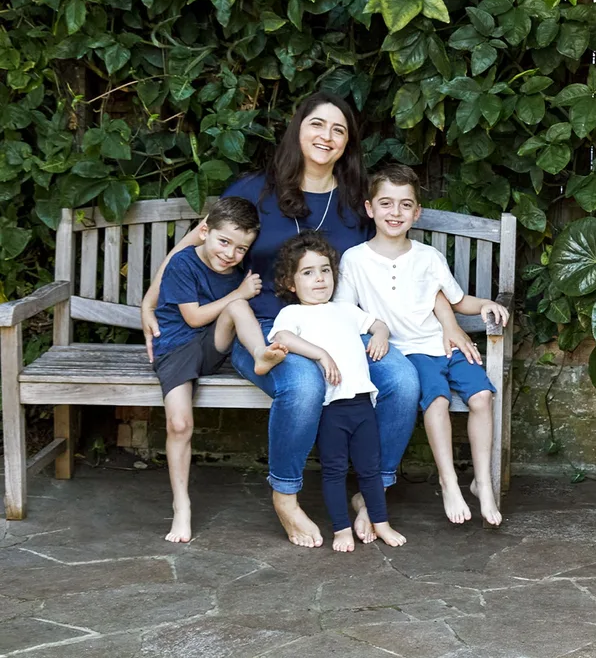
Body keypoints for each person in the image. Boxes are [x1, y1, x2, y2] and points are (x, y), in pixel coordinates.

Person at [142, 92, 431, 549]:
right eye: (318, 125)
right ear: (299, 129)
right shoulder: (254, 190)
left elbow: (393, 260)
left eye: (339, 130)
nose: (327, 137)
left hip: (339, 328)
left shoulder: (357, 201)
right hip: (261, 327)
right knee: (303, 384)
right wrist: (148, 303)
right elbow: (191, 248)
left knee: (401, 379)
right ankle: (286, 496)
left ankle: (372, 491)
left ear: (347, 143)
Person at [336, 164, 509, 527]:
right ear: (370, 208)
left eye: (404, 205)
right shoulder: (355, 260)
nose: (394, 213)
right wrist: (377, 327)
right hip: (408, 353)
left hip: (442, 343)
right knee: (439, 399)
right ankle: (449, 482)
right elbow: (344, 312)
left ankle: (482, 484)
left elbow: (457, 300)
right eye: (386, 203)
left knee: (482, 397)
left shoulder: (428, 257)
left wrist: (486, 305)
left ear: (416, 212)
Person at [152, 196, 287, 544]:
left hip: (211, 346)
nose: (230, 254)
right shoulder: (183, 263)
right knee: (179, 424)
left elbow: (232, 310)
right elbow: (193, 317)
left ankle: (260, 354)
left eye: (241, 249)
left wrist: (241, 295)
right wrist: (239, 292)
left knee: (239, 305)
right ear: (205, 232)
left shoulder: (237, 271)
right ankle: (182, 506)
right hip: (176, 348)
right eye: (224, 242)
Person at [269, 231, 406, 552]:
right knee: (333, 472)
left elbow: (378, 324)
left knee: (370, 471)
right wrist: (320, 353)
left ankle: (382, 523)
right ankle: (341, 529)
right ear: (291, 283)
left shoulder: (344, 309)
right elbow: (283, 338)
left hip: (363, 407)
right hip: (331, 410)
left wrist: (381, 336)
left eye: (325, 270)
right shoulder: (294, 313)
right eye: (308, 272)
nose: (319, 279)